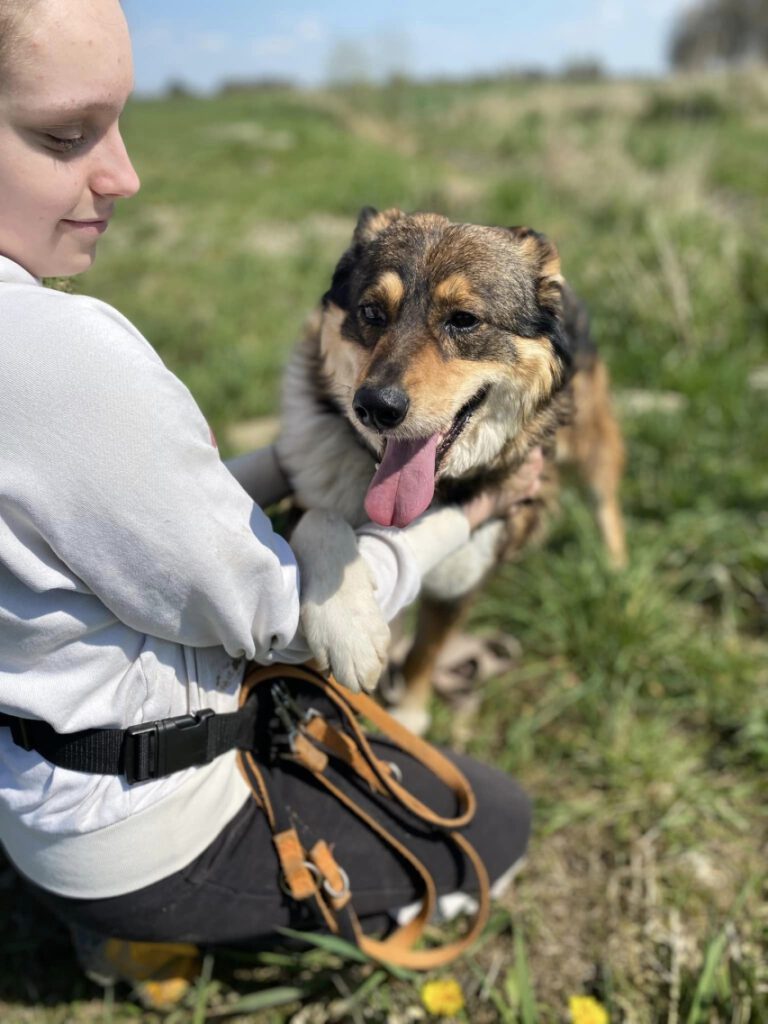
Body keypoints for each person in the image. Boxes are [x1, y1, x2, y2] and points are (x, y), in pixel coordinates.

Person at [0, 0, 534, 1003]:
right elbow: (283, 615)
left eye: (119, 124)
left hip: (32, 780)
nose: (123, 174)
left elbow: (97, 528)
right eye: (65, 136)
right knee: (495, 823)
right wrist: (467, 518)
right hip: (140, 831)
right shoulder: (58, 352)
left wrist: (285, 471)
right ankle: (153, 935)